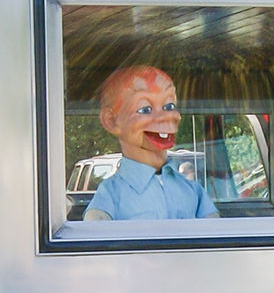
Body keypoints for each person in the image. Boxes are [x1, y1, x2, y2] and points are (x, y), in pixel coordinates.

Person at [84, 65, 218, 221]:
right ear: (111, 121)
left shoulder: (192, 190)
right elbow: (97, 233)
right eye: (145, 109)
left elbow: (216, 232)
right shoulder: (111, 193)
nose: (166, 117)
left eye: (169, 106)